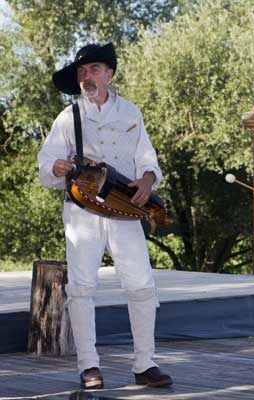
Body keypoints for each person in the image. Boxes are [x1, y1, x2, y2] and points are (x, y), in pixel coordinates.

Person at [38, 43, 172, 389]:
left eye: (94, 69)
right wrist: (55, 166)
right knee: (81, 288)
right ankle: (89, 367)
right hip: (82, 213)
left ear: (109, 73)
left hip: (125, 211)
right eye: (82, 72)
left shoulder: (130, 113)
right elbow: (45, 165)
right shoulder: (69, 117)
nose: (87, 77)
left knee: (142, 286)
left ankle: (145, 364)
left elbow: (148, 159)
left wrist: (146, 179)